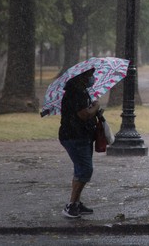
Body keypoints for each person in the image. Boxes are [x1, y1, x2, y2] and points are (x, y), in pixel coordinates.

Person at [59, 68, 101, 219]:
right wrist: (96, 107)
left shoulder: (80, 91)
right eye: (90, 75)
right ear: (81, 77)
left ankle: (76, 203)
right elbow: (84, 115)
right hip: (75, 136)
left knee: (80, 170)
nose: (92, 78)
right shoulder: (77, 93)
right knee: (85, 170)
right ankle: (71, 205)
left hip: (80, 135)